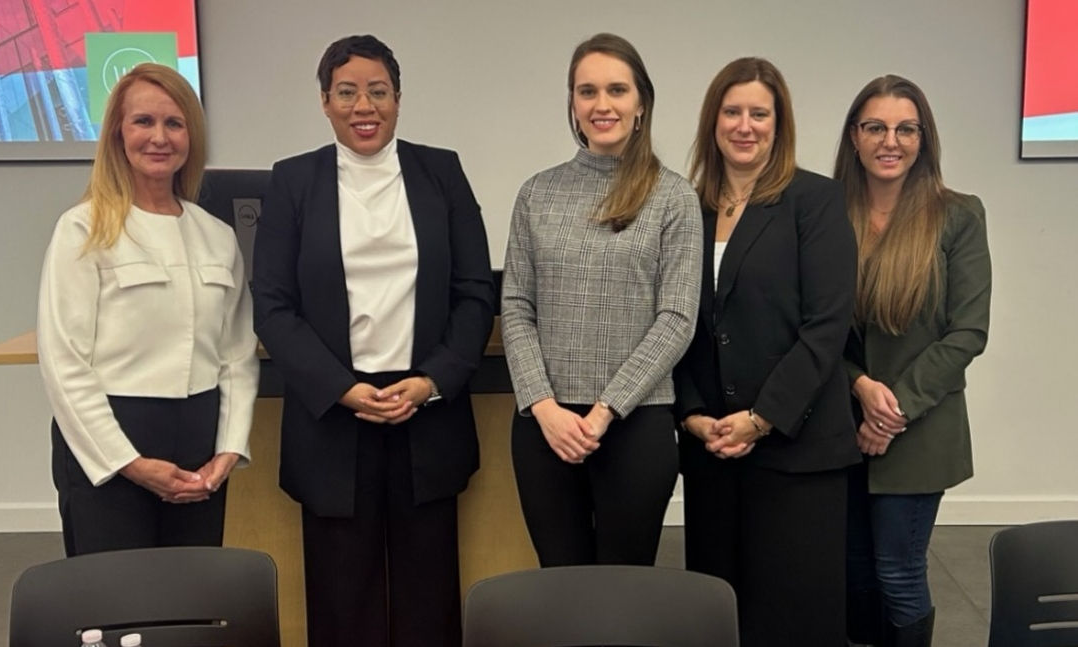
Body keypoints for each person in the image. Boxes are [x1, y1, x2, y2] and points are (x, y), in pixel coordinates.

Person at [251, 35, 494, 647]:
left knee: (428, 599)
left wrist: (434, 379)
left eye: (379, 91)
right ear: (325, 103)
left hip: (425, 409)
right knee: (341, 599)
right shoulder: (293, 181)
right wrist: (343, 389)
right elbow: (273, 307)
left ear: (399, 99)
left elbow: (474, 292)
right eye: (348, 92)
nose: (365, 105)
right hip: (335, 415)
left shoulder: (441, 172)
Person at [672, 57, 859, 647]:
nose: (745, 125)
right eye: (733, 111)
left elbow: (826, 327)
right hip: (713, 449)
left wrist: (761, 419)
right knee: (718, 615)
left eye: (760, 113)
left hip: (795, 449)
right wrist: (693, 413)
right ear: (713, 121)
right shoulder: (685, 205)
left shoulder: (815, 201)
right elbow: (673, 322)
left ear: (780, 124)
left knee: (792, 619)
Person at [37, 63, 258, 557]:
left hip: (199, 447)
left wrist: (229, 448)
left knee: (192, 603)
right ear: (118, 132)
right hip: (109, 445)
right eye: (143, 122)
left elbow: (237, 356)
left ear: (191, 136)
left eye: (174, 123)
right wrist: (130, 462)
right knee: (116, 609)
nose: (159, 137)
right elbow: (65, 363)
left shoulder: (217, 236)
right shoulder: (83, 229)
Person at [500, 33, 702, 568]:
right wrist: (544, 407)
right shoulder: (536, 193)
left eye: (617, 89)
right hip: (546, 427)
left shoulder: (674, 196)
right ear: (573, 103)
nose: (602, 104)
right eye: (587, 91)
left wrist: (605, 411)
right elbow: (517, 307)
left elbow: (677, 318)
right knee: (561, 584)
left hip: (636, 424)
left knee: (623, 592)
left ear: (641, 103)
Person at [834, 75, 991, 647]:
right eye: (875, 127)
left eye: (906, 128)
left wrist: (891, 409)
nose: (890, 141)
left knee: (898, 573)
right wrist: (859, 387)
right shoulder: (827, 213)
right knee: (852, 573)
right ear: (854, 136)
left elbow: (968, 331)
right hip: (841, 423)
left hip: (919, 427)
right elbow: (814, 323)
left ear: (924, 139)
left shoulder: (958, 215)